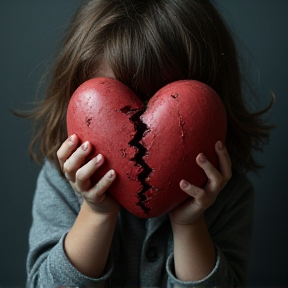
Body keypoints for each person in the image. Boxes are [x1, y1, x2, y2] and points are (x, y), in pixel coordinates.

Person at [25, 0, 273, 287]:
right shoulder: (61, 183)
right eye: (121, 109)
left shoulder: (229, 196)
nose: (146, 135)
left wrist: (189, 225)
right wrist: (96, 213)